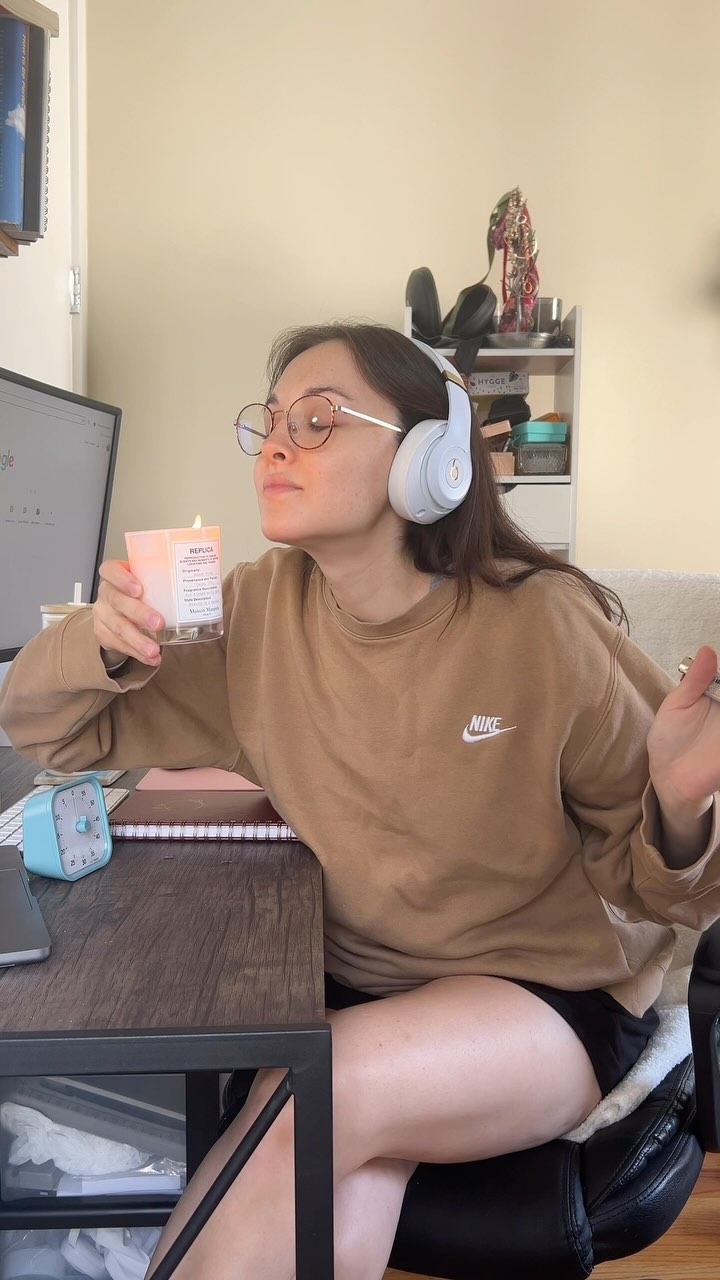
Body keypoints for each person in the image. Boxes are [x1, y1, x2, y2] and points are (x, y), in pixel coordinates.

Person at [2, 322, 720, 1280]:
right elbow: (50, 732)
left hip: (545, 996)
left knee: (315, 1099)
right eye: (269, 423)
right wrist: (97, 638)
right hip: (354, 988)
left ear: (430, 461)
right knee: (336, 1200)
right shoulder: (258, 614)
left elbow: (670, 895)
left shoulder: (544, 628)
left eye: (318, 420)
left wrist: (682, 804)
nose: (277, 445)